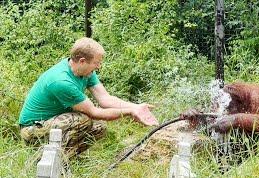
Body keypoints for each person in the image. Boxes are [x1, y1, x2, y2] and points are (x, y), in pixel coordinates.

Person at [19, 37, 158, 158]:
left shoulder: (85, 72)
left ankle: (65, 157)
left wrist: (136, 107)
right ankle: (47, 160)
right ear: (82, 61)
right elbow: (95, 112)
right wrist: (130, 112)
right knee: (83, 120)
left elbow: (105, 99)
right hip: (33, 129)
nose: (99, 66)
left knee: (99, 127)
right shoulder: (62, 81)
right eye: (96, 62)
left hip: (53, 122)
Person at [181, 82, 259, 146]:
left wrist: (237, 119)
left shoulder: (257, 97)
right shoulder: (225, 99)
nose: (226, 113)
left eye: (230, 109)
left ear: (240, 103)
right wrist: (195, 116)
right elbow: (211, 121)